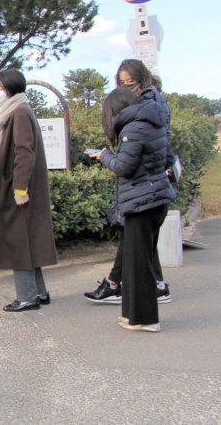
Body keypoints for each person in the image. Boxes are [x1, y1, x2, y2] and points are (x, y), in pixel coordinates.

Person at [84, 59, 174, 304]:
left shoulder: (142, 115)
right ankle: (153, 285)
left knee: (135, 237)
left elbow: (126, 165)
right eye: (122, 83)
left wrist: (105, 156)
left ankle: (129, 290)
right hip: (151, 186)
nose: (127, 87)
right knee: (140, 238)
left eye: (130, 83)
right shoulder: (147, 110)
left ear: (142, 79)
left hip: (144, 186)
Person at [0, 68, 58, 312]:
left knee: (19, 241)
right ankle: (39, 292)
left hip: (20, 188)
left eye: (0, 88)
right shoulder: (20, 110)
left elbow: (23, 152)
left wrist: (19, 187)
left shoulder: (18, 112)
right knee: (28, 239)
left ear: (11, 88)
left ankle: (27, 297)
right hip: (24, 186)